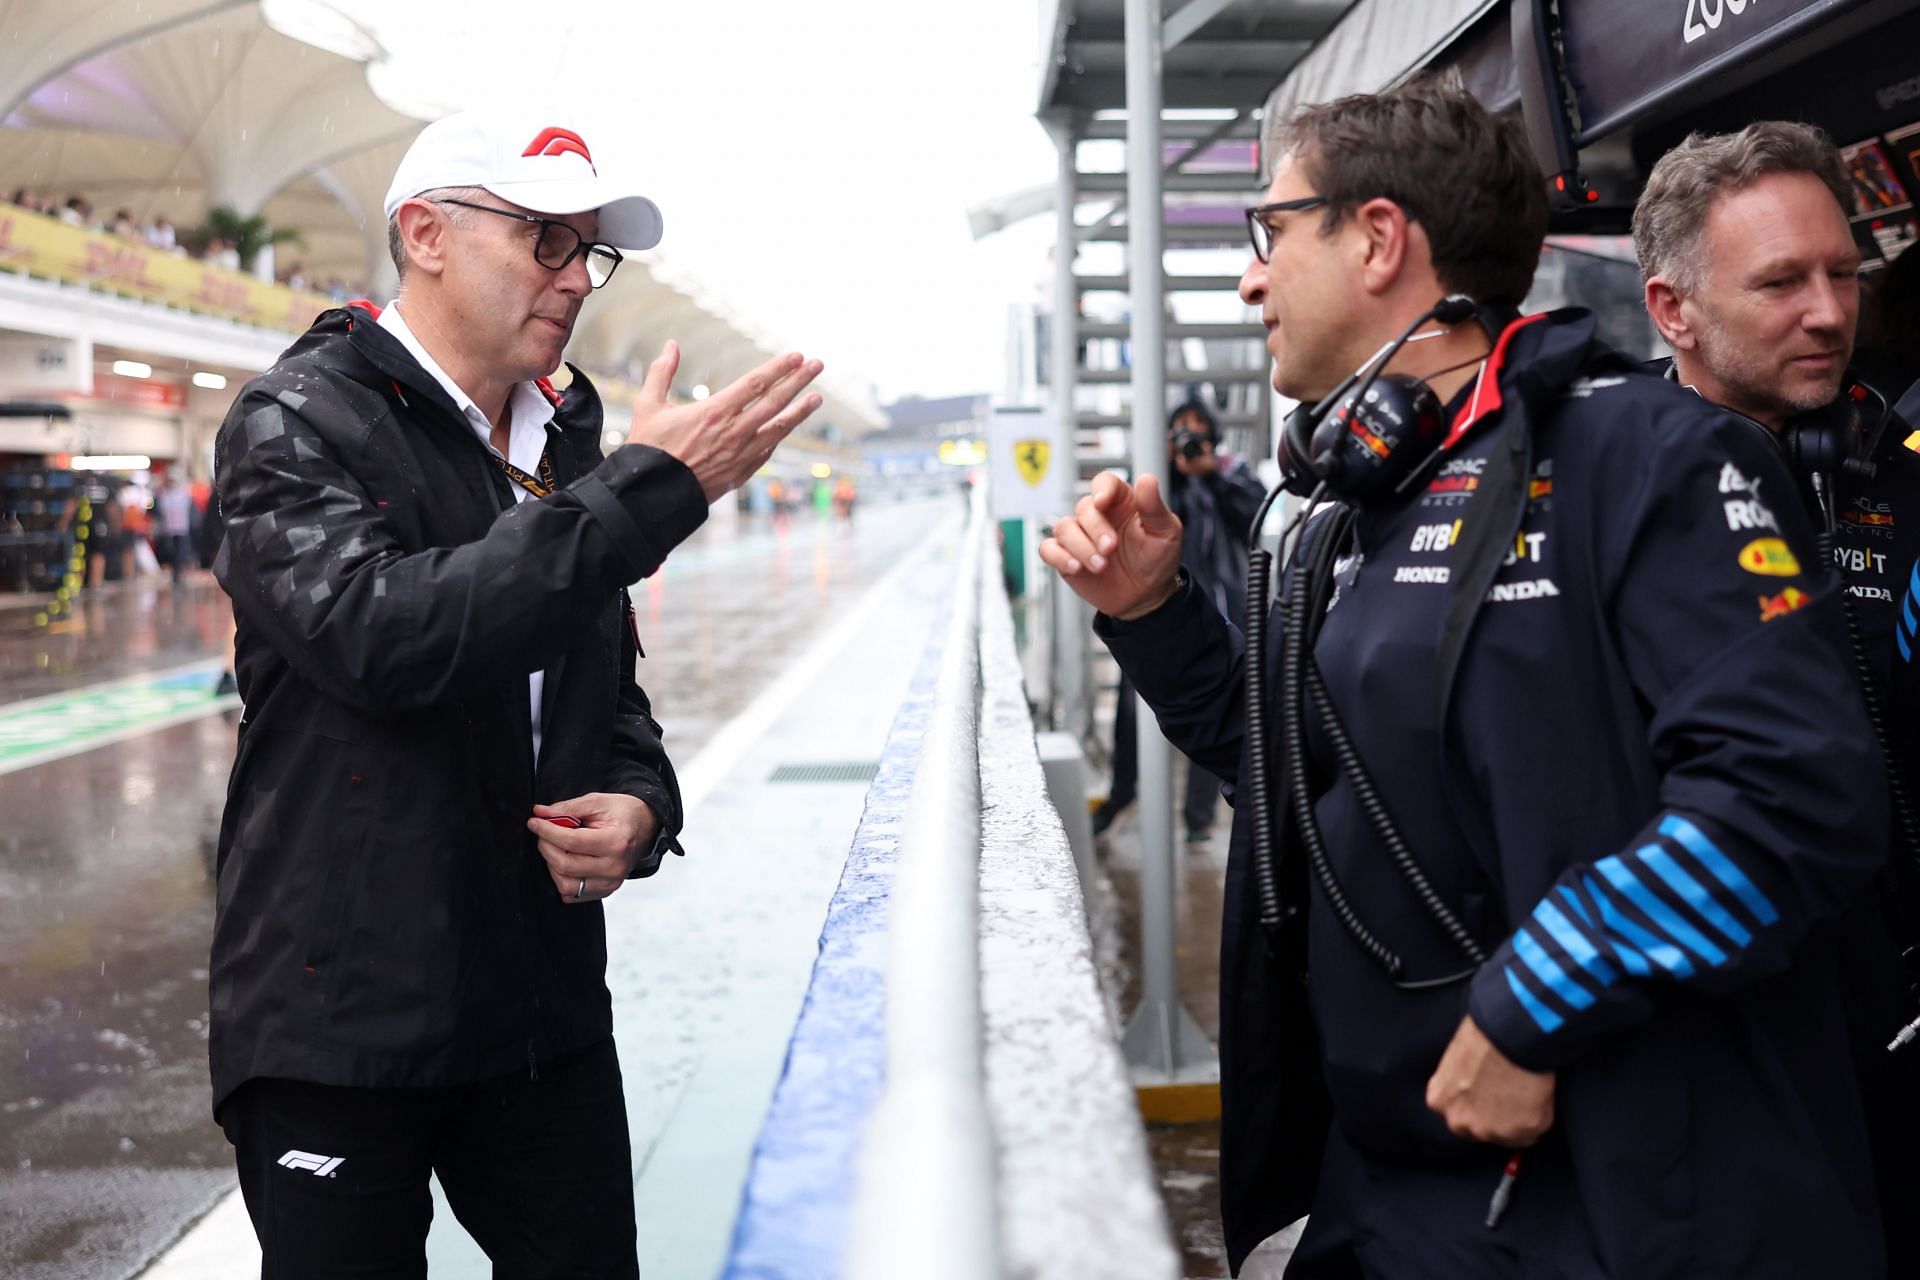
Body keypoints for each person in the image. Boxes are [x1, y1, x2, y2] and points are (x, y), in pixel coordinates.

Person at [1042, 76, 1888, 1277]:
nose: (1249, 276)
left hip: (1638, 1207)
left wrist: (1530, 1000)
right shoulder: (1344, 509)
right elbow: (1320, 796)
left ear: (1380, 236)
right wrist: (1155, 615)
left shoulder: (1647, 457)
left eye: (1270, 232)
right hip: (1396, 1202)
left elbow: (1797, 794)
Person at [208, 107, 824, 1278]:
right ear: (426, 233)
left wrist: (644, 804)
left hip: (537, 1007)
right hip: (338, 1017)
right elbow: (387, 635)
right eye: (546, 239)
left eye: (588, 250)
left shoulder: (562, 431)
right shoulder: (292, 418)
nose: (576, 279)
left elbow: (603, 683)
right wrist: (645, 496)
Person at [1634, 119, 1920, 1271]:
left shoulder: (1895, 478)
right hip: (1715, 1078)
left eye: (1843, 275)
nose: (1828, 311)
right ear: (1673, 310)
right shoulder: (1597, 507)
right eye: (1781, 282)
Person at [1092, 397, 1264, 841]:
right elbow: (1139, 518)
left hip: (1223, 606)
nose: (1190, 440)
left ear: (1213, 435)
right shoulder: (1159, 478)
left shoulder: (1231, 471)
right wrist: (1169, 470)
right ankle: (1121, 792)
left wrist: (1210, 473)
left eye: (1198, 430)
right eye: (1180, 432)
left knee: (1221, 713)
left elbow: (1254, 515)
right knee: (1133, 712)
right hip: (1168, 606)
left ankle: (1199, 817)